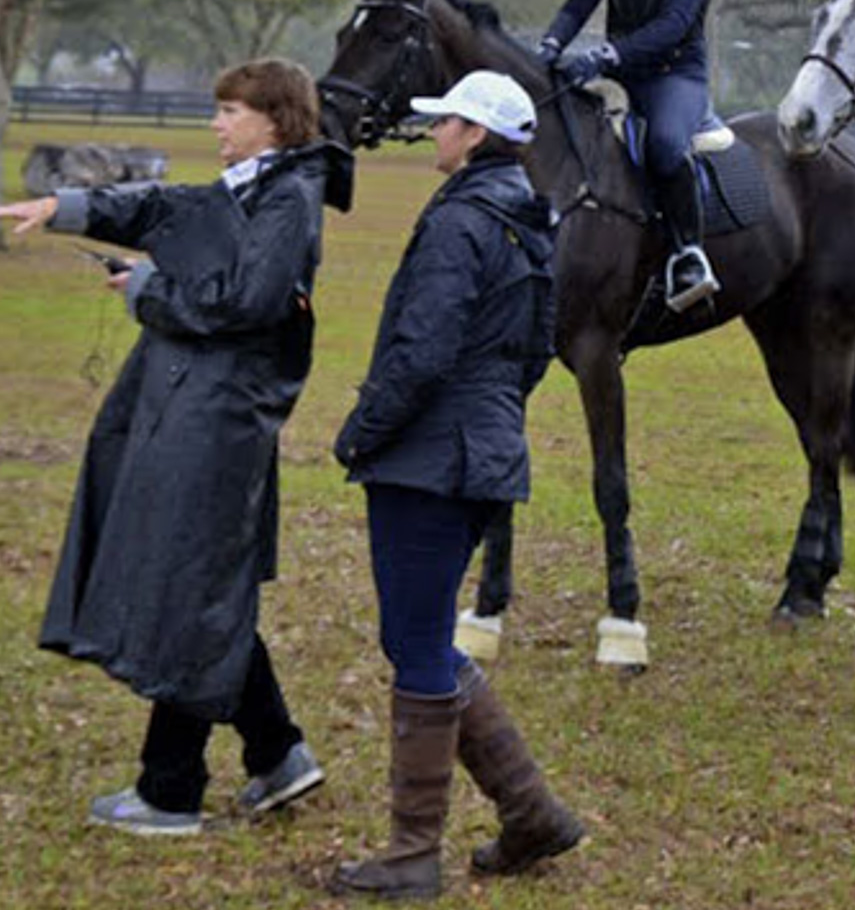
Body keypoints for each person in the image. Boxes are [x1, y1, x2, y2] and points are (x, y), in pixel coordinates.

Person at [0, 59, 351, 835]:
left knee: (196, 588)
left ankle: (170, 792)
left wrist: (148, 293)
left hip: (223, 419)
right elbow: (164, 207)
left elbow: (250, 304)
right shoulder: (253, 185)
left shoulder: (290, 197)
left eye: (230, 110)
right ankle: (278, 753)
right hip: (199, 407)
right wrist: (66, 206)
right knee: (207, 584)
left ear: (275, 118)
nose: (217, 124)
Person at [328, 70, 580, 900]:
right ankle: (531, 813)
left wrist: (362, 431)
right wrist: (488, 419)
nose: (435, 133)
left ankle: (412, 854)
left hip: (428, 461)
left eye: (448, 123)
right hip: (481, 454)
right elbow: (535, 353)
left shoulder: (462, 222)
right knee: (422, 639)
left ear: (476, 136)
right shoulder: (527, 222)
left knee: (417, 644)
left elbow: (424, 352)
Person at [539, 0, 719, 313]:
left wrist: (602, 54)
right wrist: (552, 43)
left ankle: (688, 253)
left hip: (674, 75)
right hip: (620, 73)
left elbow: (674, 24)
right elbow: (579, 3)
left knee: (663, 144)